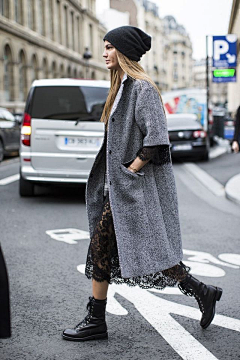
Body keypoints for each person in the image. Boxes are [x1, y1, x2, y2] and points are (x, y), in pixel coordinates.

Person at [62, 26, 222, 341]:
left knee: (117, 250)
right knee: (116, 251)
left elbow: (157, 140)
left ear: (123, 51)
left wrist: (130, 169)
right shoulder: (119, 87)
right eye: (104, 47)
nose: (104, 53)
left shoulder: (142, 87)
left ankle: (96, 320)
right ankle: (201, 291)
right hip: (116, 189)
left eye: (109, 47)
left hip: (132, 190)